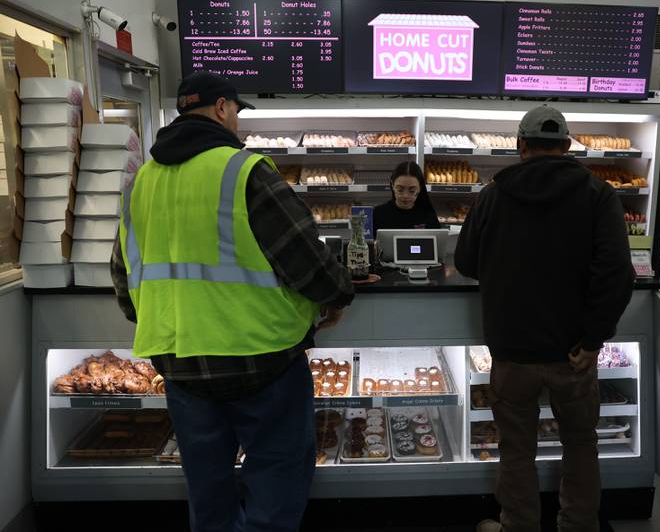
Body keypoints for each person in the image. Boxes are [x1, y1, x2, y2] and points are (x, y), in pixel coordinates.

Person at [110, 71, 354, 532]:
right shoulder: (244, 171)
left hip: (182, 366)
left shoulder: (140, 182)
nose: (238, 121)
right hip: (262, 363)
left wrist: (164, 321)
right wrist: (336, 296)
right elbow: (307, 259)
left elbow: (125, 277)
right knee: (275, 486)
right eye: (238, 111)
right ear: (222, 108)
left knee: (208, 492)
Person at [455, 106, 634, 532]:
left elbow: (465, 261)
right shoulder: (598, 193)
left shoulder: (493, 194)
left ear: (520, 147)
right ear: (568, 146)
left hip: (512, 350)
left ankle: (518, 526)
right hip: (572, 353)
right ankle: (577, 524)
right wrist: (592, 341)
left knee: (517, 449)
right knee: (580, 444)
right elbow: (616, 274)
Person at [373, 161, 441, 233]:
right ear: (392, 186)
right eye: (400, 190)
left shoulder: (428, 216)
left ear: (420, 188)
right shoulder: (378, 214)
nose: (405, 195)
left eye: (412, 191)